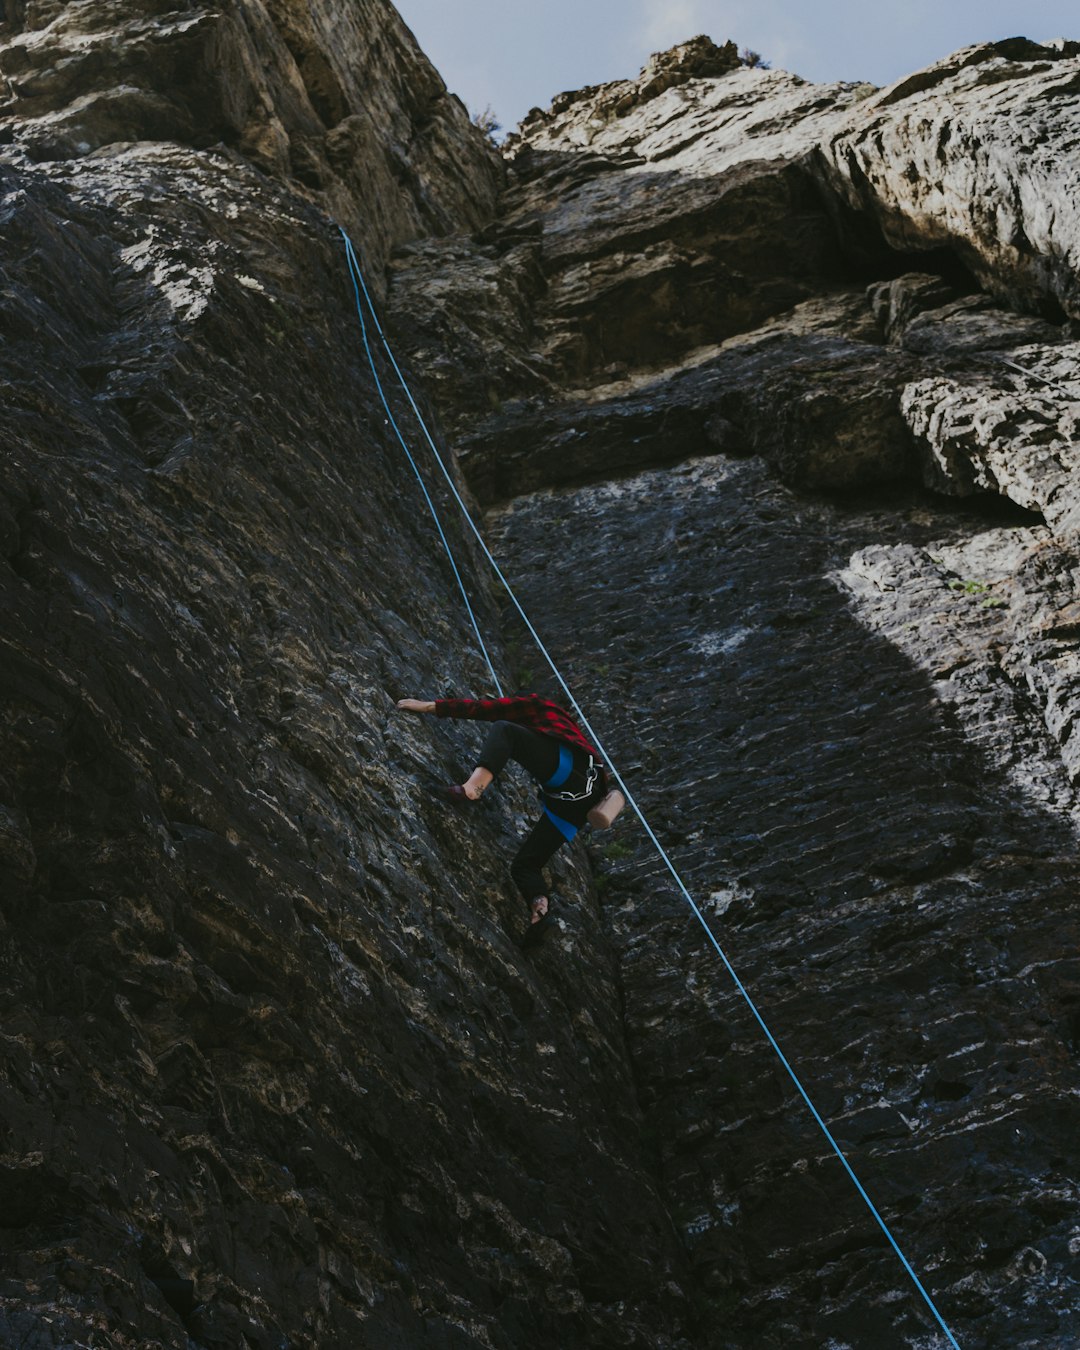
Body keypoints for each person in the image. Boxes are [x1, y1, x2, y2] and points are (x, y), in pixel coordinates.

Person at [396, 692, 609, 947]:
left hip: (568, 773)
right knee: (525, 866)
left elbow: (486, 709)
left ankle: (472, 789)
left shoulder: (541, 703)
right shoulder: (571, 731)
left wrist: (431, 706)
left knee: (505, 730)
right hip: (578, 804)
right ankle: (539, 910)